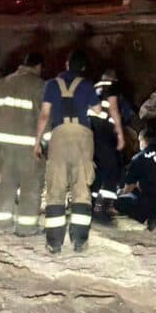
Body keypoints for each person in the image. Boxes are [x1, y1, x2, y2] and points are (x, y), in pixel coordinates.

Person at [34, 50, 101, 254]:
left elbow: (45, 114)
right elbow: (98, 110)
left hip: (59, 135)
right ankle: (79, 241)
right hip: (82, 136)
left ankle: (54, 242)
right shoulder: (87, 85)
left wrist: (37, 141)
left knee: (56, 188)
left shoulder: (51, 84)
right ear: (83, 68)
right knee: (81, 187)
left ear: (66, 64)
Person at [0, 52, 46, 236]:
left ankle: (1, 222)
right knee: (30, 184)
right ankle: (26, 226)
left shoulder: (3, 83)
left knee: (7, 181)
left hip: (4, 143)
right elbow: (45, 116)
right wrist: (45, 141)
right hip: (28, 144)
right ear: (38, 67)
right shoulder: (38, 85)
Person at [89, 69, 126, 224]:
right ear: (115, 79)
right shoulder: (112, 87)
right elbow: (113, 108)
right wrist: (120, 134)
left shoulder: (93, 87)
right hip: (106, 133)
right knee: (113, 169)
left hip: (91, 132)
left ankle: (90, 206)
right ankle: (104, 208)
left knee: (98, 171)